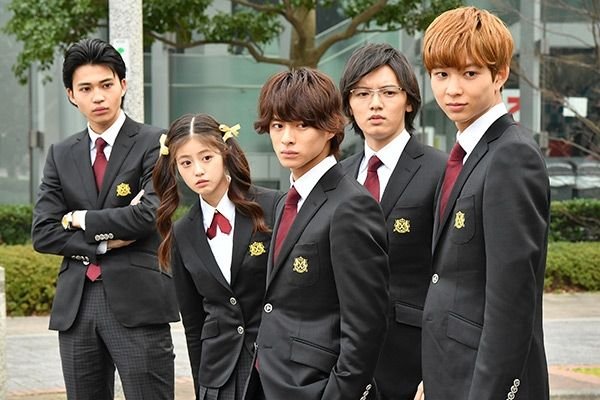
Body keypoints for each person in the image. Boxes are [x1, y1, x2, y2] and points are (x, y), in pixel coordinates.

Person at [31, 38, 179, 399]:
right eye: (86, 88)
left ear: (123, 86)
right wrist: (103, 243)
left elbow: (149, 214)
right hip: (77, 306)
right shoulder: (60, 154)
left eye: (106, 85)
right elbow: (43, 232)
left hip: (138, 302)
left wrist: (79, 218)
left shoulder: (155, 142)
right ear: (71, 95)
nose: (98, 96)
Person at [416, 6, 551, 400]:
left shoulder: (512, 156)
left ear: (500, 74)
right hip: (452, 374)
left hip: (485, 383)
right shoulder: (465, 155)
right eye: (441, 74)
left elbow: (513, 298)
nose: (452, 89)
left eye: (470, 73)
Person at [245, 67, 390, 400]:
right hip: (271, 380)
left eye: (302, 125)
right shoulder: (289, 200)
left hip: (316, 385)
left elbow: (365, 326)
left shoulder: (351, 205)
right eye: (278, 125)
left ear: (330, 128)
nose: (287, 138)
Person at [339, 43, 447, 400]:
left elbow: (451, 276)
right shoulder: (337, 177)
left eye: (387, 92)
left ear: (409, 101)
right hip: (344, 363)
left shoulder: (441, 171)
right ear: (349, 104)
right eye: (362, 93)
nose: (375, 104)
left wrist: (438, 371)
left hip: (413, 360)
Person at [153, 113, 281, 400]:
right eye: (186, 163)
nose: (198, 170)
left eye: (207, 158)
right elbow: (193, 323)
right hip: (219, 377)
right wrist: (202, 389)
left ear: (225, 154)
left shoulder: (273, 206)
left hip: (274, 367)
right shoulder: (182, 233)